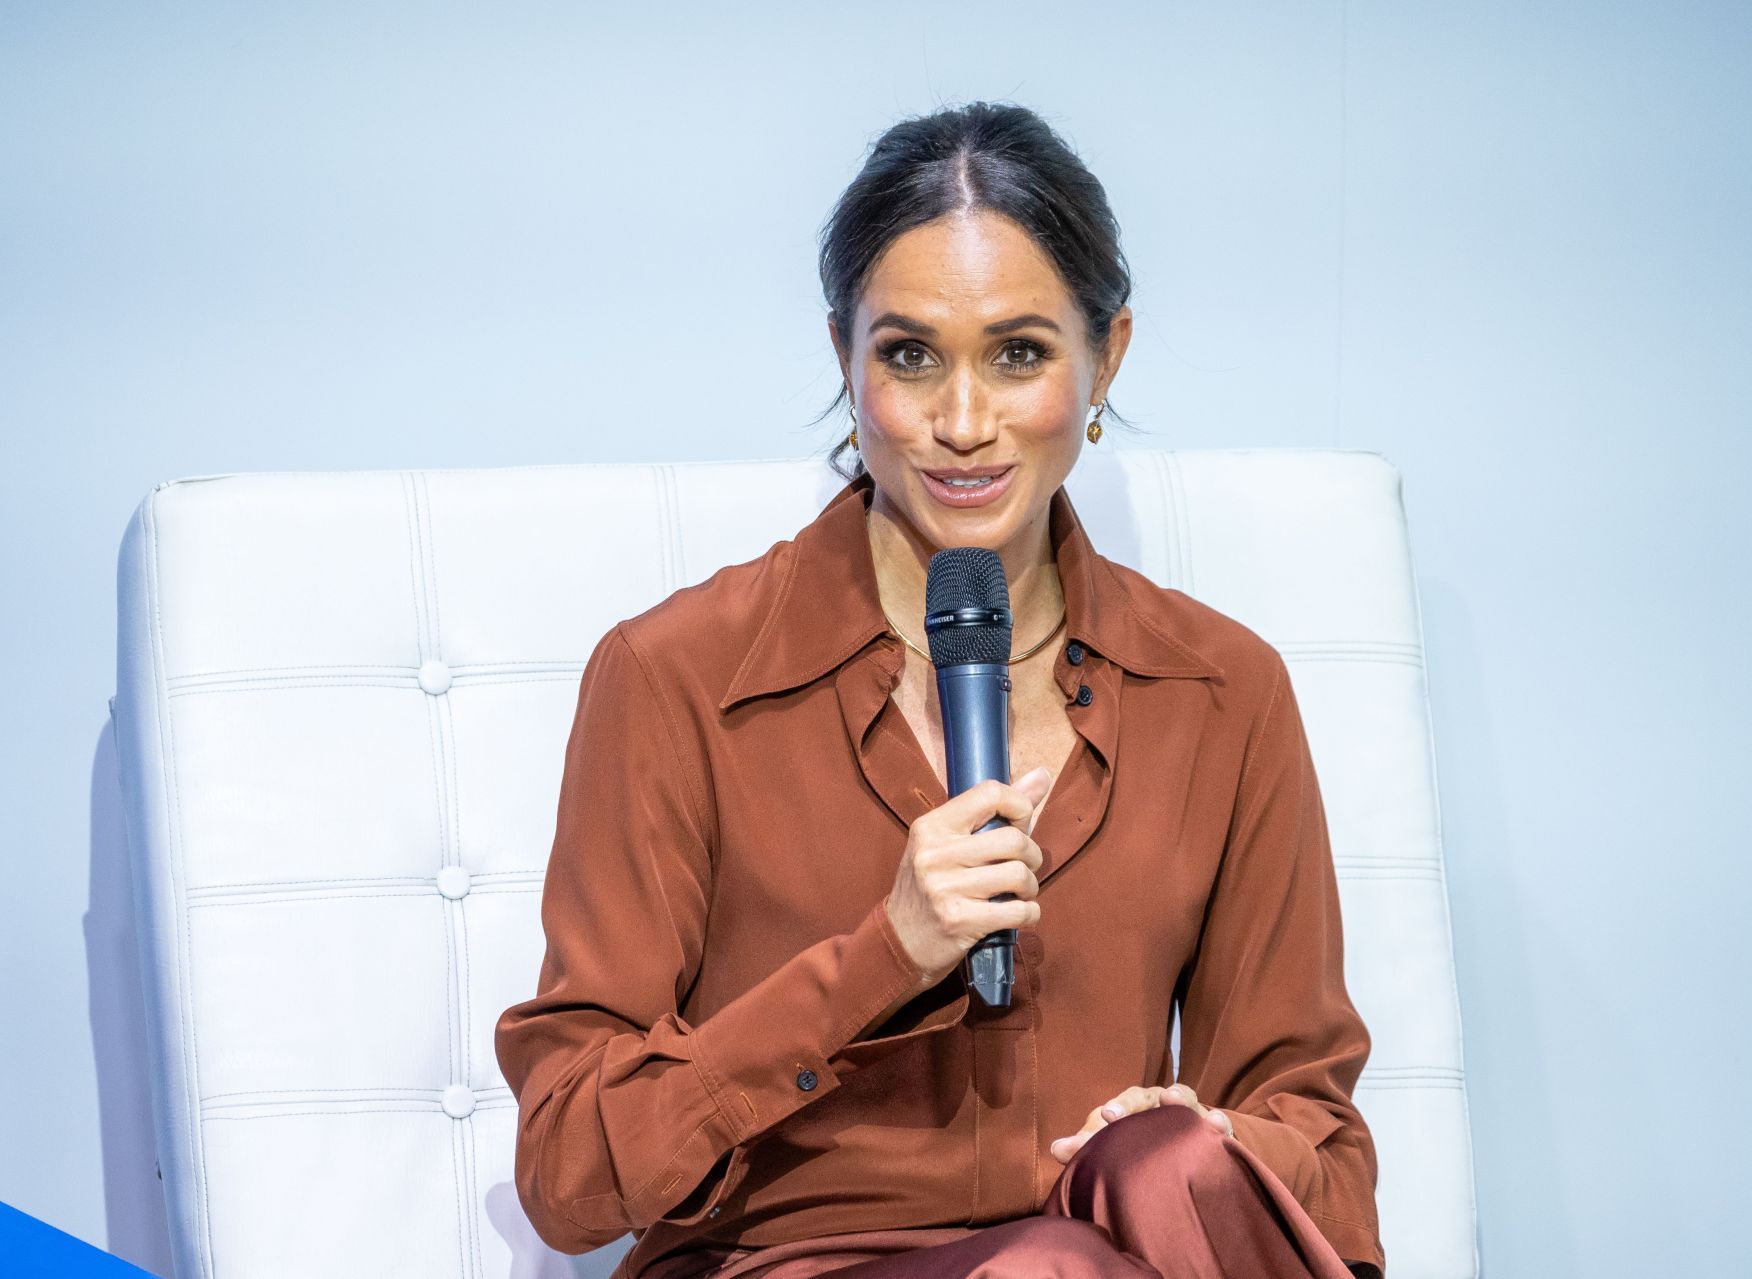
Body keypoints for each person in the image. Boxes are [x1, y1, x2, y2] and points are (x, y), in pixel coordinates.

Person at [495, 100, 1384, 1279]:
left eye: (1019, 353)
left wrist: (1223, 1140)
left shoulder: (1223, 692)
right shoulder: (676, 677)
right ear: (844, 360)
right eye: (909, 355)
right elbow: (567, 1173)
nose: (963, 425)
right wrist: (882, 954)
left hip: (1097, 1256)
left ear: (1106, 356)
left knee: (1160, 1180)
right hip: (779, 1265)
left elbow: (1317, 1128)